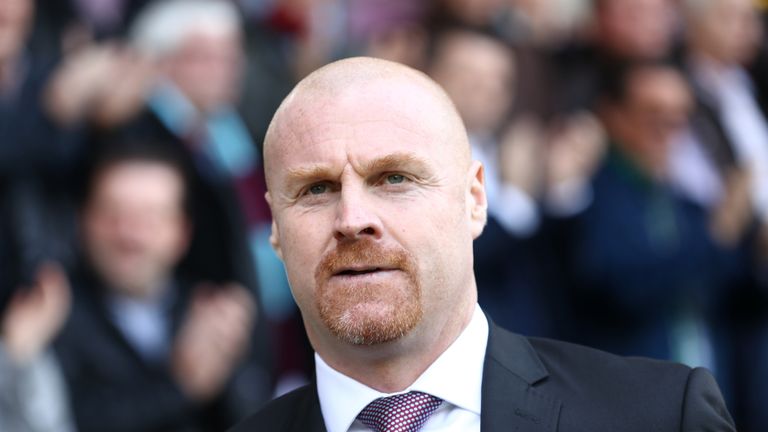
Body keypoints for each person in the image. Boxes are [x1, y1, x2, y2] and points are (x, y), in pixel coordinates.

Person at [231, 57, 734, 431]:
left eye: (394, 178)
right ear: (275, 226)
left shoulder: (661, 416)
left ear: (474, 200)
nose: (353, 219)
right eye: (316, 189)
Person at [54, 142, 272, 432]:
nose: (129, 234)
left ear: (181, 233)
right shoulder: (51, 315)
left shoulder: (209, 310)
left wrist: (236, 368)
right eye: (112, 212)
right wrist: (179, 384)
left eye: (150, 217)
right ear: (83, 221)